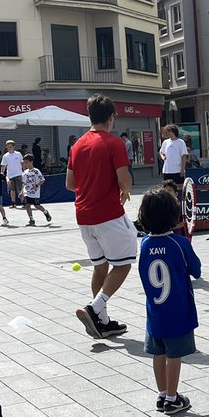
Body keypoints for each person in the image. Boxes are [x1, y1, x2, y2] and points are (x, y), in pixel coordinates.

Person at [68, 95, 136, 339]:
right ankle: (95, 309)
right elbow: (124, 179)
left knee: (100, 265)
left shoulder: (77, 145)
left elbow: (69, 183)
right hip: (108, 213)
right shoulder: (113, 142)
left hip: (83, 215)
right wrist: (125, 190)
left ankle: (103, 321)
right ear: (111, 117)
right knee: (123, 263)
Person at [137, 188, 203, 415]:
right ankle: (173, 398)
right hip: (178, 310)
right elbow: (196, 270)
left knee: (159, 353)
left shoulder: (144, 244)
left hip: (154, 311)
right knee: (174, 355)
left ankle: (162, 393)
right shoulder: (180, 242)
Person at [20, 154, 53, 226]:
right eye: (24, 162)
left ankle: (45, 212)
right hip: (27, 192)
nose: (25, 164)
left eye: (26, 162)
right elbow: (24, 183)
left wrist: (36, 185)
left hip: (35, 192)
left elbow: (42, 180)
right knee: (27, 205)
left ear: (31, 162)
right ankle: (31, 219)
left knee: (37, 205)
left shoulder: (36, 171)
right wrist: (21, 192)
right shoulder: (25, 173)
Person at [0, 140, 25, 208]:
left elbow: (22, 163)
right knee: (12, 190)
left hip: (19, 174)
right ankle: (13, 203)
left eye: (10, 146)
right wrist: (1, 174)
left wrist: (24, 170)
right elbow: (3, 166)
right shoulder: (5, 156)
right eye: (8, 147)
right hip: (10, 175)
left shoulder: (18, 154)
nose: (9, 148)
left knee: (20, 189)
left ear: (13, 147)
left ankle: (23, 202)